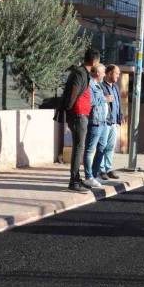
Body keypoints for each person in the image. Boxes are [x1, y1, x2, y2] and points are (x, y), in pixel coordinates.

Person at [62, 49, 100, 193]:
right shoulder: (80, 73)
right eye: (98, 61)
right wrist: (70, 112)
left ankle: (77, 179)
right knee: (79, 148)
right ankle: (74, 181)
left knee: (80, 147)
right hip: (78, 115)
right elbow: (73, 92)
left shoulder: (84, 73)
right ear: (94, 61)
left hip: (81, 114)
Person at [82, 64, 108, 188]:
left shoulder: (99, 85)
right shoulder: (90, 84)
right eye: (103, 72)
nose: (104, 75)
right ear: (98, 73)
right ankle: (88, 177)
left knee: (102, 147)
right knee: (90, 149)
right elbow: (90, 101)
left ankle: (94, 174)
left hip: (103, 121)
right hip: (95, 121)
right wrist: (104, 99)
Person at [99, 64, 123, 180]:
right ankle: (101, 169)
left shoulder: (115, 87)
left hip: (113, 121)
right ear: (109, 73)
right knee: (102, 146)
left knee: (110, 147)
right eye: (116, 73)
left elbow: (118, 102)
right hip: (104, 122)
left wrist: (120, 115)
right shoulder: (101, 86)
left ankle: (108, 169)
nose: (118, 76)